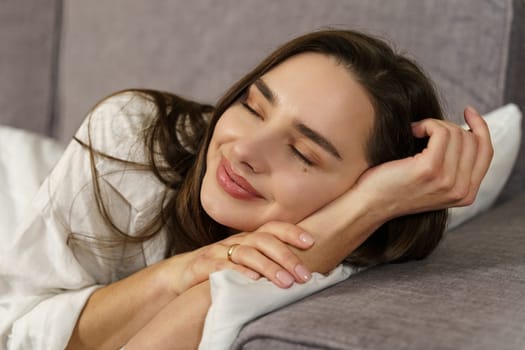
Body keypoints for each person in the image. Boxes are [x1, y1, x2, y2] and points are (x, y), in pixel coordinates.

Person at [0, 29, 492, 349]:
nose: (244, 149)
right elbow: (20, 331)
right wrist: (183, 272)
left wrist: (371, 204)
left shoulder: (358, 233)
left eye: (303, 153)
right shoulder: (132, 138)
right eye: (254, 107)